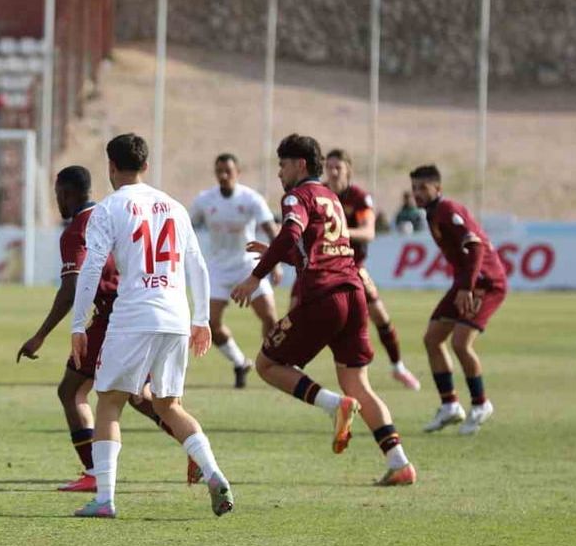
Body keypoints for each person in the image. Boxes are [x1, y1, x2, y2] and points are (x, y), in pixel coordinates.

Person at [232, 134, 415, 487]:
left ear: (300, 164)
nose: (280, 173)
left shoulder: (296, 196)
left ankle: (334, 406)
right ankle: (399, 462)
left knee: (267, 364)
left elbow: (291, 232)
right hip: (353, 292)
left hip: (323, 296)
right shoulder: (331, 197)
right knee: (358, 383)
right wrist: (277, 251)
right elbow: (315, 248)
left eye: (283, 165)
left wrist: (256, 277)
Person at [69, 134, 234, 519]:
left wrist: (79, 324)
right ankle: (214, 472)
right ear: (145, 166)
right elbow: (197, 264)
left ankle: (105, 498)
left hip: (134, 315)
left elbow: (92, 266)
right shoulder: (175, 207)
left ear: (111, 167)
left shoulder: (109, 208)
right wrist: (201, 320)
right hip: (175, 316)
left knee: (109, 400)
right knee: (168, 405)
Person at [17, 165, 201, 493]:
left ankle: (93, 472)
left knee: (72, 391)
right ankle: (195, 448)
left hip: (114, 319)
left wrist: (41, 335)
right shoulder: (110, 211)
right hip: (145, 310)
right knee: (142, 396)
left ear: (66, 193)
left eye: (58, 193)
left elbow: (72, 287)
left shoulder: (78, 230)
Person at [409, 164, 507, 436]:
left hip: (485, 283)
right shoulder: (431, 214)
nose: (417, 193)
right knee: (432, 338)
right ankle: (450, 405)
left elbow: (475, 246)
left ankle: (480, 404)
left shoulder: (447, 210)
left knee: (460, 343)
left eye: (422, 188)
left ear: (437, 188)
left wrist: (468, 287)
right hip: (465, 282)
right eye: (414, 188)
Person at [325, 149, 420, 390]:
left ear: (348, 170)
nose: (333, 172)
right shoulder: (321, 194)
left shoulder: (358, 198)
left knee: (380, 316)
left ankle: (397, 366)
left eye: (338, 167)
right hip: (322, 267)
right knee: (297, 310)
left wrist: (338, 234)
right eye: (329, 167)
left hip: (352, 268)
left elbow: (369, 232)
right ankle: (291, 365)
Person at [189, 153, 282, 388]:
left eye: (228, 171)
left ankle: (273, 364)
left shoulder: (251, 198)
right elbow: (186, 227)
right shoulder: (204, 200)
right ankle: (240, 362)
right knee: (210, 324)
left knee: (270, 316)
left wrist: (276, 263)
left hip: (247, 265)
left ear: (237, 173)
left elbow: (270, 229)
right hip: (218, 269)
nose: (223, 176)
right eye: (219, 171)